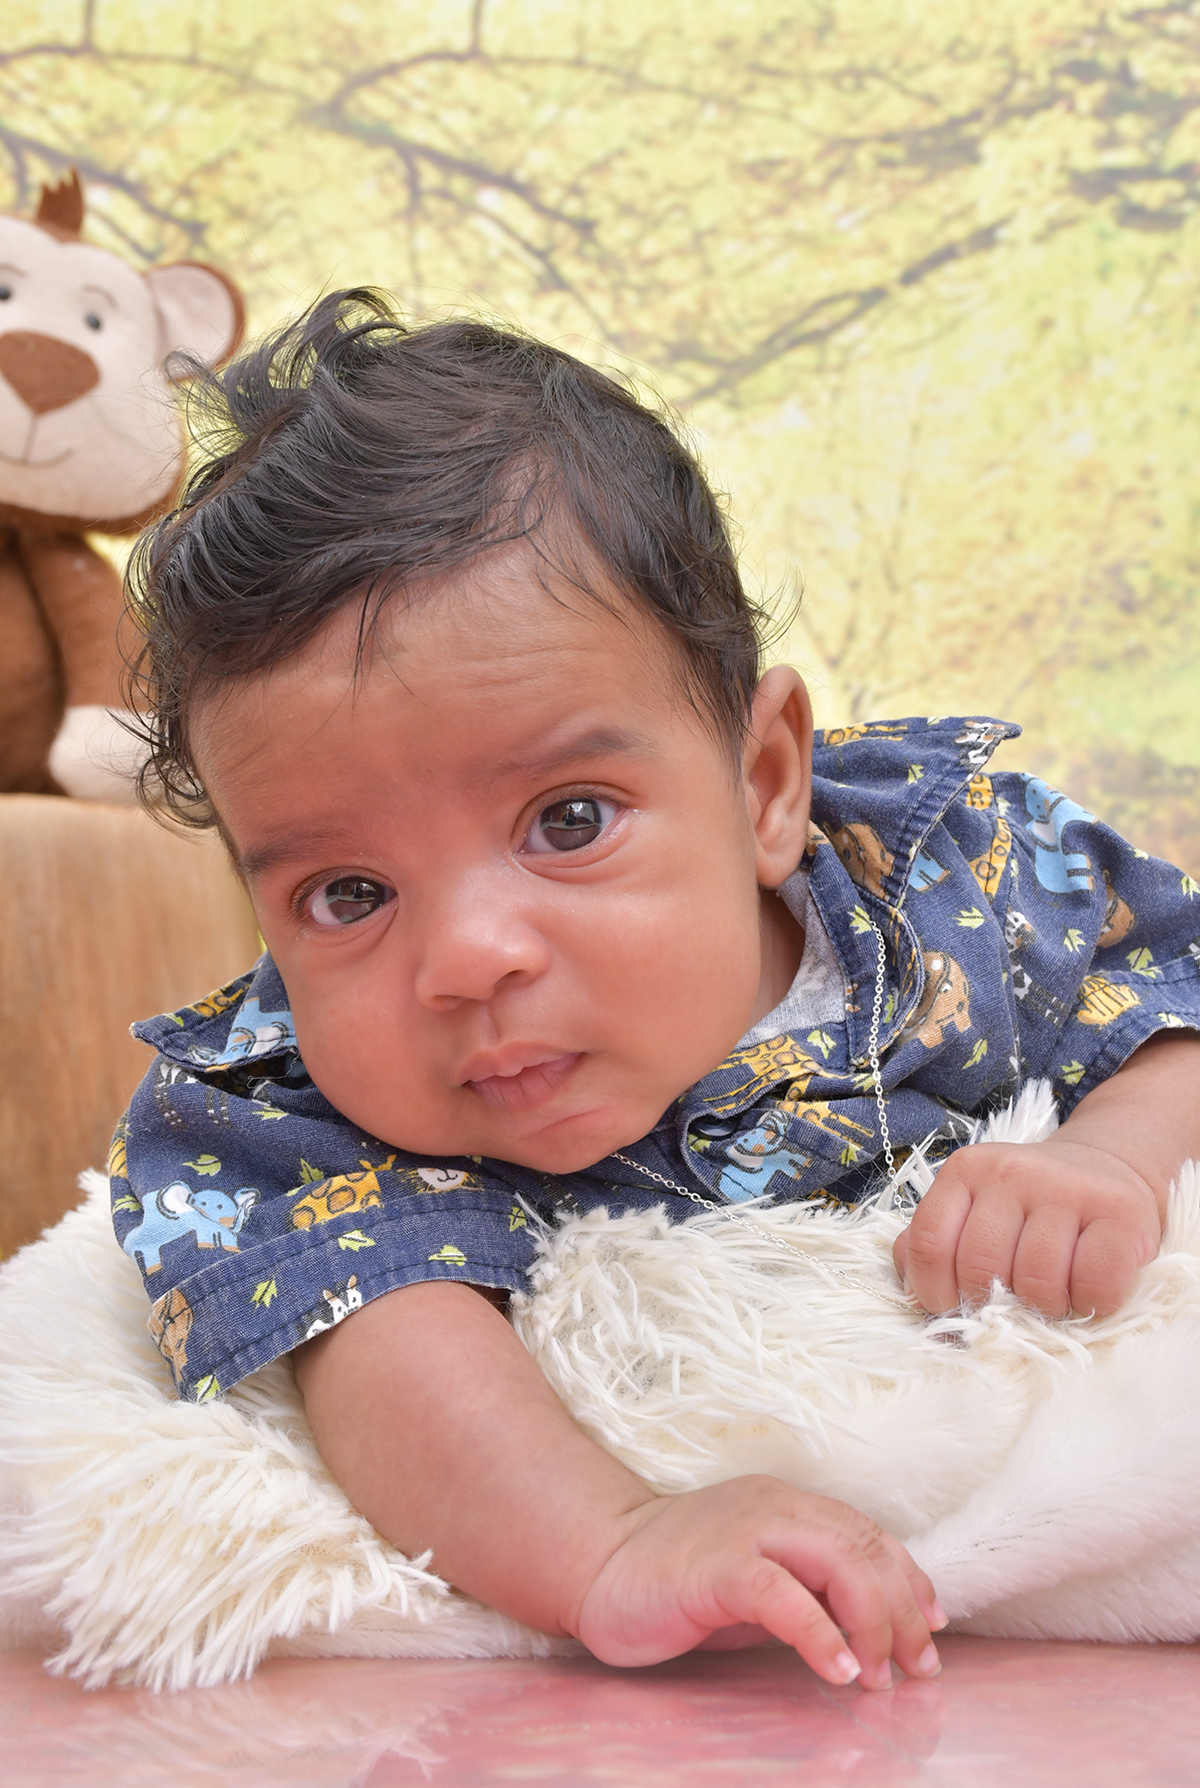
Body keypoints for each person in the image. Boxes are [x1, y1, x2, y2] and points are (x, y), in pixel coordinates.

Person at [111, 291, 1200, 1691]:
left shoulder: (948, 878)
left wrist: (1117, 1155)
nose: (467, 959)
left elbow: (1171, 978)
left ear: (764, 784)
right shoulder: (289, 1105)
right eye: (349, 894)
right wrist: (612, 1540)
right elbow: (378, 1341)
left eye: (567, 821)